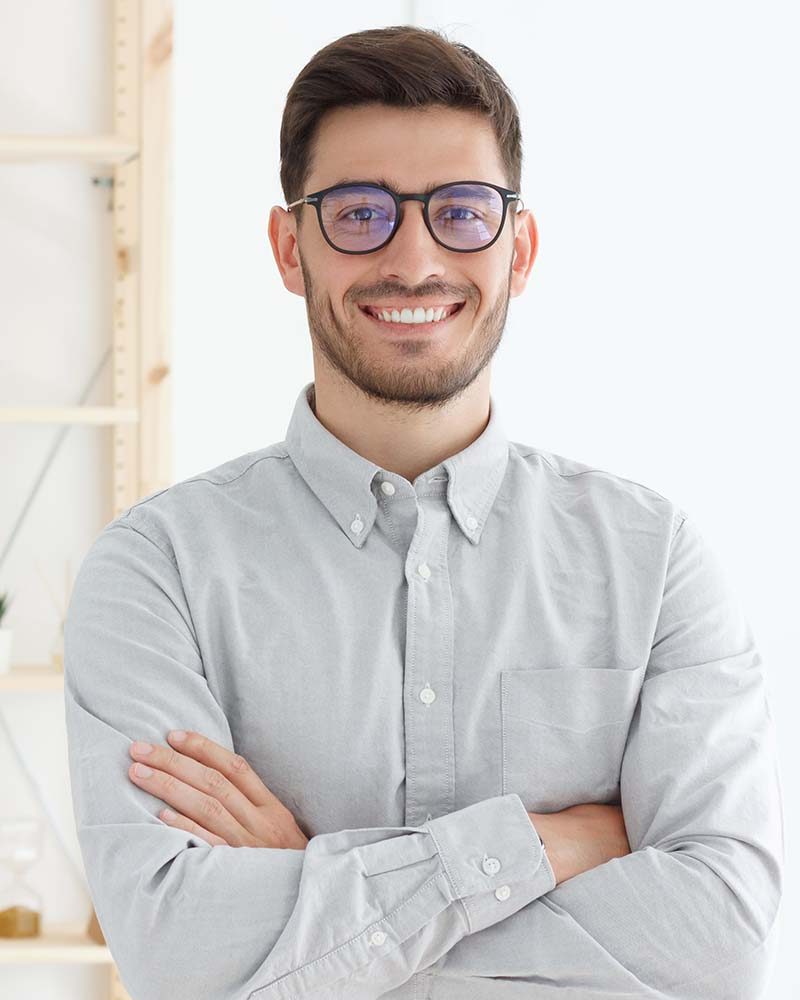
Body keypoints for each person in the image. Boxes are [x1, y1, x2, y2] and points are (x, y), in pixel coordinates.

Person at [64, 24, 783, 1000]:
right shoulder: (157, 571)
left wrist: (314, 891)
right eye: (359, 212)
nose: (412, 256)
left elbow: (721, 942)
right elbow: (178, 952)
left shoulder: (654, 560)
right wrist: (539, 844)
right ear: (289, 247)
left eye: (460, 211)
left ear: (517, 248)